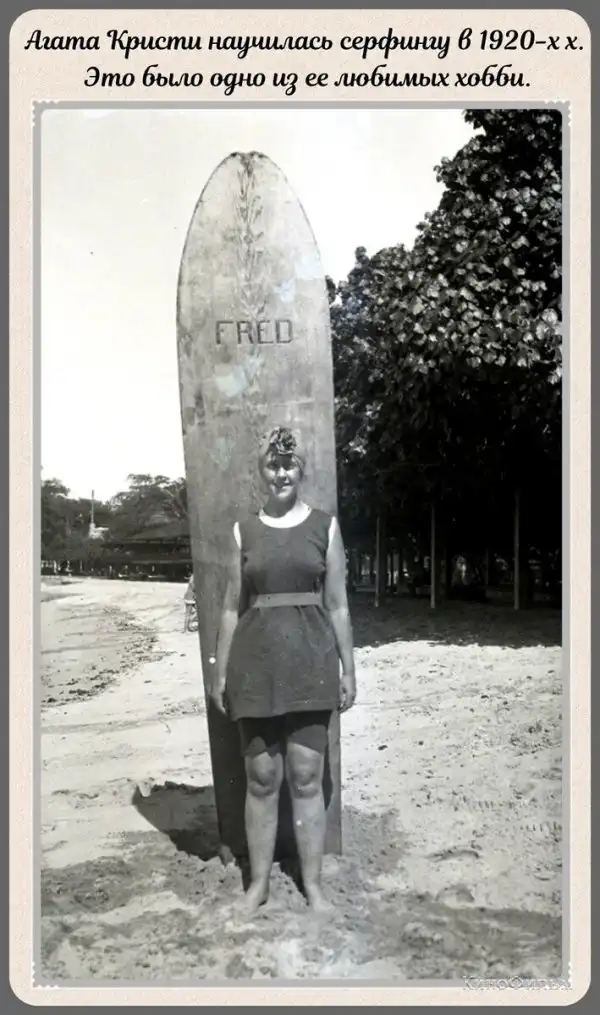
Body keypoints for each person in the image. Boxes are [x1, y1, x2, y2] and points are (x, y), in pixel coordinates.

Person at [211, 426, 356, 916]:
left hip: (311, 663)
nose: (281, 473)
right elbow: (230, 607)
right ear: (262, 471)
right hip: (255, 666)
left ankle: (313, 886)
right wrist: (221, 673)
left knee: (307, 775)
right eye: (273, 465)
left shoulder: (325, 528)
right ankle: (258, 885)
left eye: (289, 464)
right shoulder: (243, 531)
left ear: (301, 469)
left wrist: (349, 669)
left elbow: (338, 605)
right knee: (261, 777)